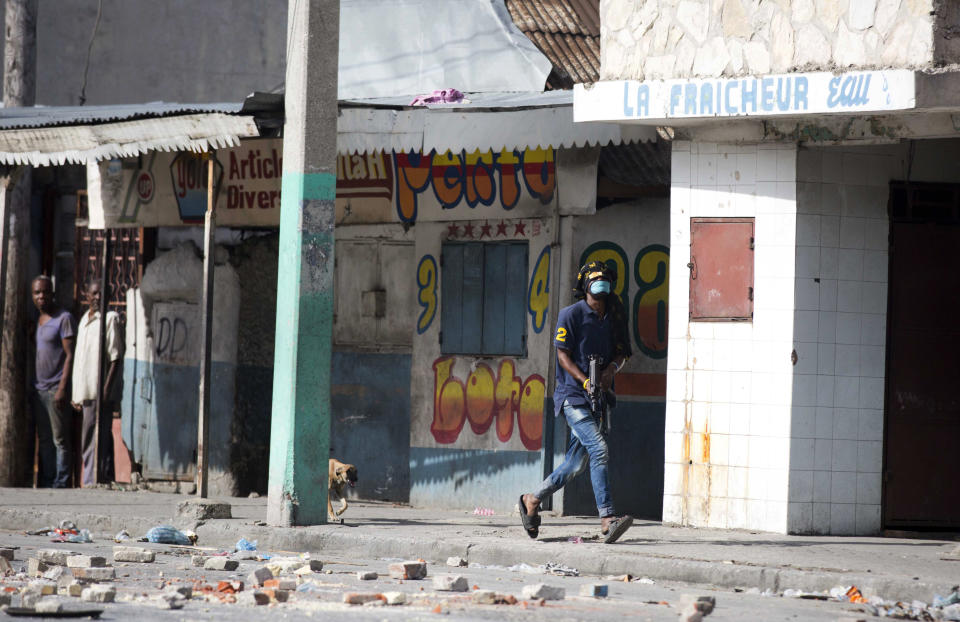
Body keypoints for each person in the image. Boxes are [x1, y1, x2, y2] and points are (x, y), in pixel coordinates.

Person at [519, 260, 634, 544]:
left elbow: (623, 352)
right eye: (595, 279)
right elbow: (562, 356)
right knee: (599, 450)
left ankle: (532, 500)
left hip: (601, 397)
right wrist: (585, 380)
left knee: (574, 465)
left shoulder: (615, 314)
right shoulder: (570, 315)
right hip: (573, 396)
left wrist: (610, 371)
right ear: (584, 286)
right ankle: (608, 519)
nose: (601, 283)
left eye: (605, 278)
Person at [71, 280, 120, 486]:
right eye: (94, 293)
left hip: (99, 392)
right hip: (85, 391)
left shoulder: (110, 319)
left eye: (102, 293)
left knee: (93, 438)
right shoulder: (84, 320)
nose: (98, 297)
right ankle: (104, 479)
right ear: (87, 295)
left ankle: (92, 481)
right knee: (96, 437)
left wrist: (105, 391)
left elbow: (115, 358)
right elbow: (80, 360)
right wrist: (76, 394)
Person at [30, 275, 75, 488]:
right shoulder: (38, 319)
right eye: (37, 293)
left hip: (56, 387)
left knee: (60, 440)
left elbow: (70, 355)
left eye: (44, 292)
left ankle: (62, 483)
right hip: (39, 389)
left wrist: (63, 388)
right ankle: (47, 481)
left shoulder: (63, 318)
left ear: (52, 293)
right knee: (45, 439)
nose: (41, 297)